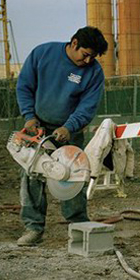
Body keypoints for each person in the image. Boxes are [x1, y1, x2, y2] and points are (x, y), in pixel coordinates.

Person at [15, 26, 108, 246]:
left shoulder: (94, 72)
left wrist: (69, 127)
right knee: (31, 177)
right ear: (74, 43)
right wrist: (29, 117)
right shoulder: (42, 54)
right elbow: (24, 87)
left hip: (69, 132)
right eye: (85, 55)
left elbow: (87, 107)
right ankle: (33, 228)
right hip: (36, 128)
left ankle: (78, 225)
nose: (87, 61)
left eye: (92, 57)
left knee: (74, 178)